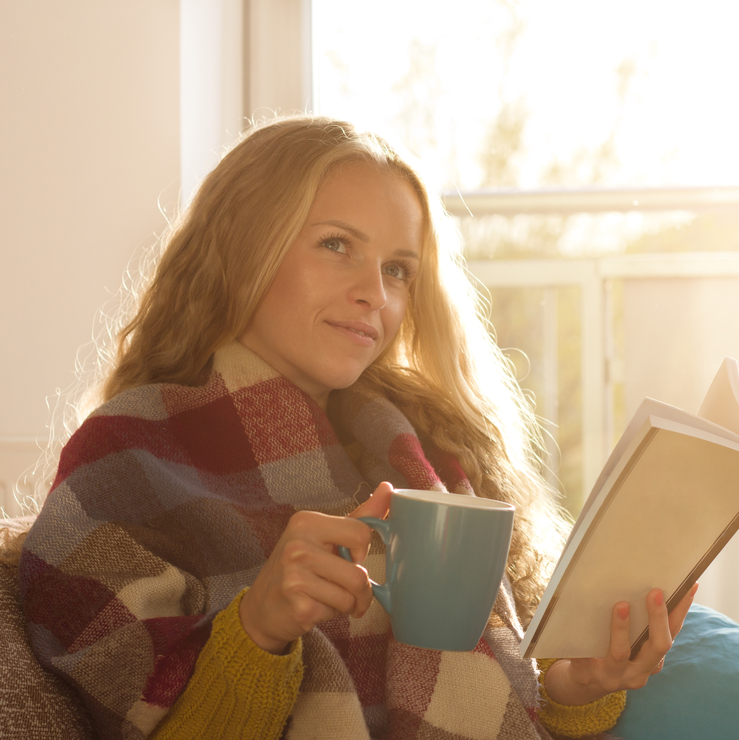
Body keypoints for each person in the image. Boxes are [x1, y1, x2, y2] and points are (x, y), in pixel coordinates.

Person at [18, 117, 697, 740]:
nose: (377, 291)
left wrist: (577, 688)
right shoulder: (123, 457)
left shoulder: (430, 452)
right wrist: (259, 627)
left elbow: (508, 695)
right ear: (240, 250)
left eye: (398, 269)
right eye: (337, 245)